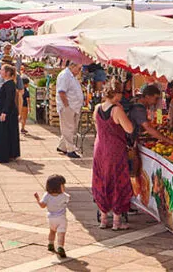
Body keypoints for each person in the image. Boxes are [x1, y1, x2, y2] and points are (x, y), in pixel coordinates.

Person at [92, 81, 135, 231]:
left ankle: (103, 219)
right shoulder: (116, 110)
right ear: (117, 94)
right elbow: (129, 129)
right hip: (115, 150)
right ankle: (117, 221)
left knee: (102, 180)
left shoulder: (97, 108)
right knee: (117, 181)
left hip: (100, 149)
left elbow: (98, 129)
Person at [34, 174, 70, 258]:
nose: (64, 187)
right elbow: (68, 199)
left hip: (51, 219)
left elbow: (42, 206)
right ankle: (60, 247)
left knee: (52, 231)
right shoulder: (64, 196)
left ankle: (50, 244)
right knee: (61, 234)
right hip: (61, 219)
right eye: (63, 185)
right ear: (60, 187)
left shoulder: (47, 195)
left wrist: (38, 199)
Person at [0, 64, 21, 163]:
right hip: (7, 111)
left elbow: (9, 99)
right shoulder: (9, 84)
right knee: (9, 133)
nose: (0, 72)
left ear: (8, 73)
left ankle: (2, 156)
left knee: (2, 134)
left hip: (5, 111)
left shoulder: (9, 84)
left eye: (2, 70)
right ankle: (11, 153)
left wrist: (4, 112)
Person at [55, 62, 84, 159]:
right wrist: (66, 105)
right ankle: (70, 149)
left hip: (73, 106)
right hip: (68, 106)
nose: (79, 71)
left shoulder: (71, 76)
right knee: (68, 127)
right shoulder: (65, 75)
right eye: (79, 68)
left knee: (70, 127)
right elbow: (62, 91)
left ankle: (62, 146)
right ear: (72, 66)